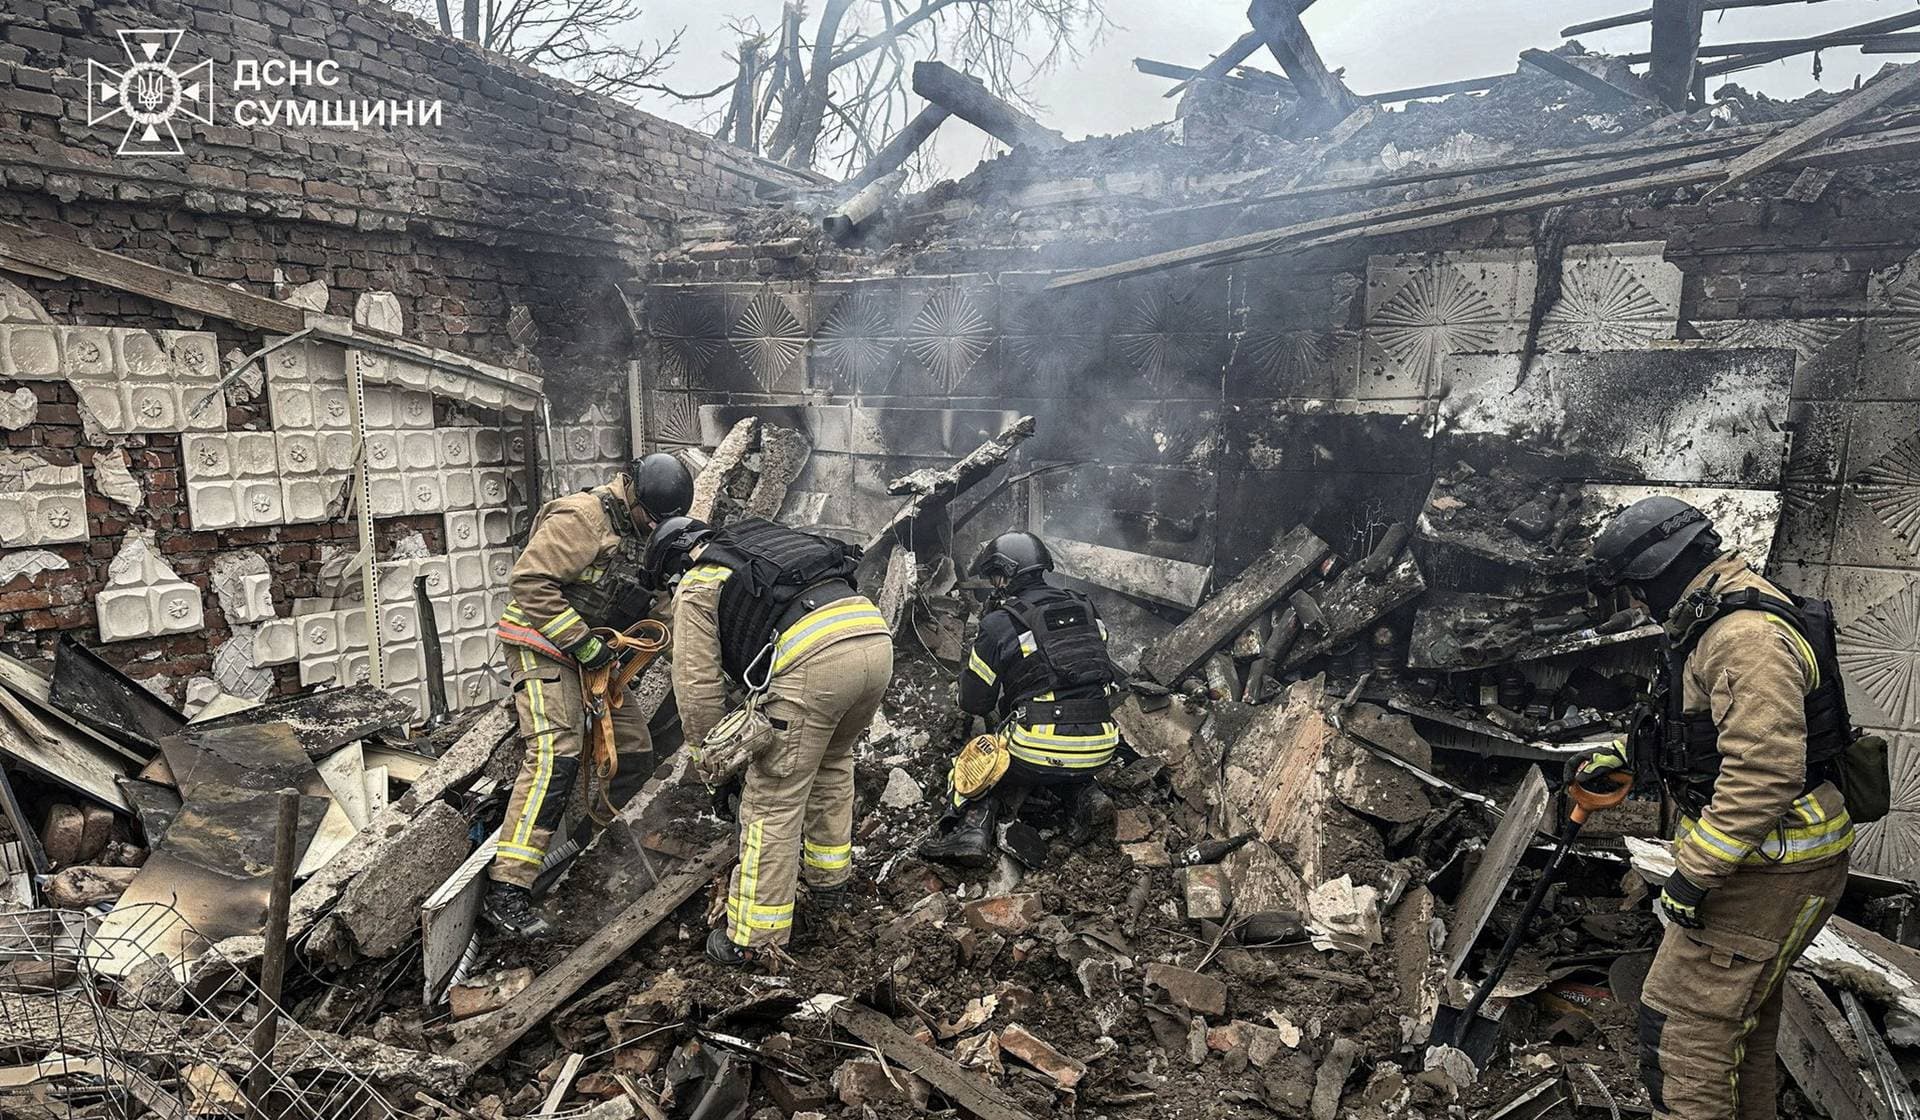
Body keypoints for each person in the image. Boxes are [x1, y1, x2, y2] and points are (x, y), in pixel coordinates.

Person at [1580, 495, 1855, 1120]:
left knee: (1686, 1034)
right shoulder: (1722, 611)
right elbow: (1714, 726)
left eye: (1631, 591)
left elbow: (1764, 771)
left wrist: (1694, 873)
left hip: (1769, 871)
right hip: (1774, 862)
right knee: (1742, 1030)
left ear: (1655, 574)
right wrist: (1630, 754)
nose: (1636, 607)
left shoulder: (1742, 636)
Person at [648, 514, 894, 967]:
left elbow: (696, 688)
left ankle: (754, 937)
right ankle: (829, 885)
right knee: (833, 764)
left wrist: (715, 770)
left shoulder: (698, 583)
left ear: (674, 564)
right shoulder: (760, 546)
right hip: (873, 639)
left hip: (816, 663)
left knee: (772, 799)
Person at [480, 453, 693, 938]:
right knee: (557, 751)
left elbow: (661, 606)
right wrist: (582, 643)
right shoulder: (582, 517)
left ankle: (581, 847)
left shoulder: (645, 534)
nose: (657, 529)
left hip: (594, 656)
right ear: (634, 496)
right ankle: (508, 888)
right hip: (542, 643)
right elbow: (529, 583)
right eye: (654, 520)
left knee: (636, 754)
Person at [918, 531, 1120, 869]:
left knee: (980, 750)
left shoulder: (1000, 622)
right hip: (1102, 743)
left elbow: (974, 703)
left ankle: (973, 827)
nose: (994, 585)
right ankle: (1084, 794)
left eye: (995, 577)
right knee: (1064, 742)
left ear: (1005, 572)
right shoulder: (1085, 605)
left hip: (1037, 748)